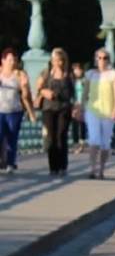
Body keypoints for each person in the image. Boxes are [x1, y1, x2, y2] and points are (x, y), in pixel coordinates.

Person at [82, 49, 115, 179]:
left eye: (105, 58)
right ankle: (92, 168)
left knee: (105, 142)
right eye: (99, 58)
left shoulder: (113, 75)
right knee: (94, 139)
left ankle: (101, 169)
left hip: (108, 110)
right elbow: (85, 92)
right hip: (93, 109)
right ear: (95, 59)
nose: (102, 60)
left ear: (108, 60)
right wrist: (81, 107)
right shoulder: (90, 74)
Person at [35, 47, 74, 176]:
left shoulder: (68, 74)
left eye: (61, 60)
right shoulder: (47, 73)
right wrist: (44, 92)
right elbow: (38, 86)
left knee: (61, 135)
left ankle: (63, 165)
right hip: (49, 108)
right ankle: (53, 167)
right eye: (56, 60)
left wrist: (76, 106)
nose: (58, 63)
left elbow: (73, 92)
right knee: (51, 137)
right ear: (52, 61)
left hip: (63, 107)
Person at [0, 48, 37, 173]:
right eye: (10, 60)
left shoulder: (19, 75)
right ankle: (2, 160)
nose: (12, 63)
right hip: (0, 110)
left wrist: (25, 86)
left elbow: (25, 96)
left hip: (15, 111)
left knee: (12, 137)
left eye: (14, 60)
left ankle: (11, 163)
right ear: (3, 60)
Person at [70, 61, 87, 154]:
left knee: (82, 124)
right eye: (75, 70)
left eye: (78, 70)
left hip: (83, 104)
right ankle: (76, 143)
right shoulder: (72, 81)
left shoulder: (84, 80)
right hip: (74, 104)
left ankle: (82, 142)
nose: (76, 72)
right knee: (75, 124)